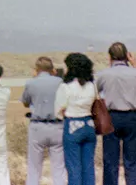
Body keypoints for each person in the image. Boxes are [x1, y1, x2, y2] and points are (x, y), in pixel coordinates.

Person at [96, 44, 136, 185]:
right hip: (131, 117)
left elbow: (94, 89)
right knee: (132, 159)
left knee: (110, 159)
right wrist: (135, 66)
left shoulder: (104, 74)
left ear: (110, 57)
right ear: (127, 56)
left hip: (111, 117)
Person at [54, 53, 98, 185]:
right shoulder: (92, 85)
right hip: (89, 125)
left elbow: (58, 110)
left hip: (73, 125)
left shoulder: (65, 86)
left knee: (74, 168)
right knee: (88, 167)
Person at [22, 57, 65, 185]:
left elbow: (25, 102)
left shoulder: (31, 83)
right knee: (58, 167)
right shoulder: (60, 82)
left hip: (37, 126)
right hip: (57, 126)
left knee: (34, 167)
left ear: (37, 69)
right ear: (52, 69)